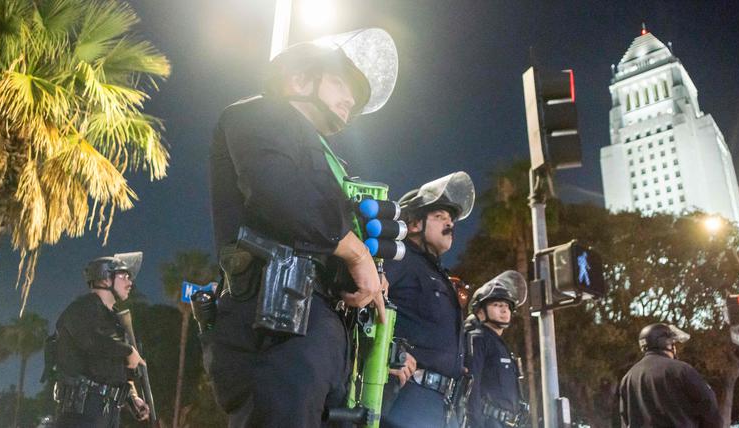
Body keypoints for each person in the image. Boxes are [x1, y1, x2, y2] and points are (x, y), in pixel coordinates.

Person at [203, 28, 401, 427]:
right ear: (299, 79)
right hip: (275, 326)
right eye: (343, 83)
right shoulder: (258, 112)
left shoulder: (326, 155)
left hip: (317, 331)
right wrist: (357, 253)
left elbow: (316, 232)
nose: (351, 101)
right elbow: (279, 193)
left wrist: (363, 277)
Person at [380, 172, 475, 428]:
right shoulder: (398, 258)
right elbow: (364, 300)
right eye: (439, 216)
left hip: (442, 407)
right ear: (413, 224)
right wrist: (390, 350)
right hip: (409, 402)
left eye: (451, 219)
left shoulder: (438, 274)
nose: (450, 224)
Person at [51, 252, 150, 428]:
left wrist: (132, 398)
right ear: (105, 279)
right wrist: (128, 350)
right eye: (124, 276)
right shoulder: (82, 308)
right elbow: (93, 341)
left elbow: (115, 371)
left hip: (106, 412)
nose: (130, 282)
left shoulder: (113, 319)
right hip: (81, 412)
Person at [618, 323, 723, 428]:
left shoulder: (627, 378)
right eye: (673, 343)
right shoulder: (680, 370)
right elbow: (708, 404)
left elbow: (626, 420)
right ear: (666, 344)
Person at [464, 271, 529, 428]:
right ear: (480, 311)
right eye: (497, 305)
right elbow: (471, 387)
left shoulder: (500, 345)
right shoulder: (478, 339)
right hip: (488, 423)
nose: (504, 310)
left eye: (507, 306)